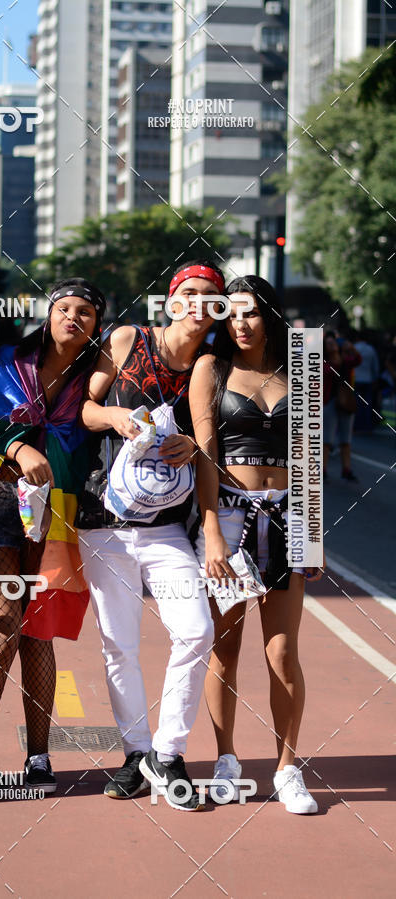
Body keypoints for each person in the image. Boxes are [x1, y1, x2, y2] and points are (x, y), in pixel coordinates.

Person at [0, 278, 107, 794]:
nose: (72, 318)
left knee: (39, 632)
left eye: (86, 313)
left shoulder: (93, 378)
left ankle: (38, 756)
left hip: (56, 511)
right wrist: (17, 448)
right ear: (49, 313)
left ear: (96, 325)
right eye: (64, 308)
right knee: (4, 627)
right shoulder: (5, 363)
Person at [76, 260, 224, 811]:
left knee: (194, 631)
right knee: (119, 643)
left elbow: (207, 448)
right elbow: (84, 409)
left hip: (166, 528)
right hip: (105, 523)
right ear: (171, 299)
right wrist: (115, 418)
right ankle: (135, 755)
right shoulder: (127, 339)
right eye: (191, 294)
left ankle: (169, 751)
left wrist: (193, 447)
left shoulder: (210, 365)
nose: (200, 304)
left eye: (213, 298)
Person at [190, 275, 323, 816]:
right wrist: (212, 533)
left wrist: (312, 533)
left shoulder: (304, 367)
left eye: (250, 313)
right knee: (225, 648)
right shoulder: (210, 368)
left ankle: (288, 769)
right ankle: (226, 762)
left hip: (289, 517)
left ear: (269, 314)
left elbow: (310, 454)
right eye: (232, 314)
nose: (240, 323)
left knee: (283, 650)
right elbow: (204, 453)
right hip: (229, 515)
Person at [323, 332, 362, 482]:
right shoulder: (324, 362)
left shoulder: (346, 360)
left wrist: (351, 348)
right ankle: (323, 470)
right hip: (329, 402)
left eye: (333, 342)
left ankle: (347, 469)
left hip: (346, 401)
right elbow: (326, 371)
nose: (332, 345)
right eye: (329, 343)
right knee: (327, 439)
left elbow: (358, 360)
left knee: (346, 439)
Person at [353, 330, 380, 432]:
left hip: (356, 379)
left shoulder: (354, 348)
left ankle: (356, 424)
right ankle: (367, 425)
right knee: (367, 403)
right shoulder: (371, 349)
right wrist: (375, 378)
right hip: (368, 379)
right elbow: (375, 366)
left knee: (356, 403)